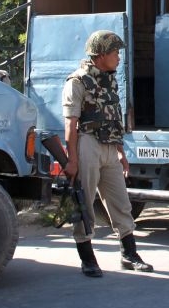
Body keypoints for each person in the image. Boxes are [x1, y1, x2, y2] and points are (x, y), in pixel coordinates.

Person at [62, 30, 153, 277]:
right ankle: (87, 258)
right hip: (87, 144)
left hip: (109, 148)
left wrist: (121, 151)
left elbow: (113, 119)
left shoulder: (109, 79)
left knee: (121, 203)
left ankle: (129, 254)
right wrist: (72, 159)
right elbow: (71, 123)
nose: (118, 57)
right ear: (101, 54)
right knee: (84, 203)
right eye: (115, 52)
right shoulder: (77, 81)